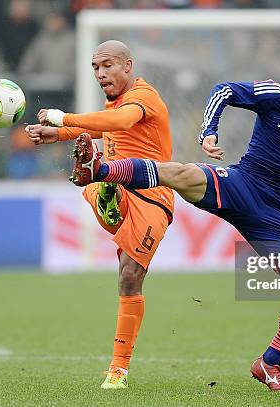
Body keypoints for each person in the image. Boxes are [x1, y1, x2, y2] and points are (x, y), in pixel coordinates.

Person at [47, 50, 280, 392]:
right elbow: (224, 90)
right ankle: (100, 170)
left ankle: (269, 364)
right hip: (240, 183)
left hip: (273, 214)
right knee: (180, 173)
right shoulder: (277, 97)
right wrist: (209, 131)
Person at [25, 40, 174, 389]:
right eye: (95, 67)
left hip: (152, 196)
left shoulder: (143, 96)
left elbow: (120, 121)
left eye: (107, 65)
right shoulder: (115, 101)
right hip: (124, 190)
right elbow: (104, 126)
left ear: (128, 65)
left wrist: (62, 117)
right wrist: (57, 134)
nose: (100, 73)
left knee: (129, 278)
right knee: (96, 180)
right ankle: (103, 184)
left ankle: (118, 370)